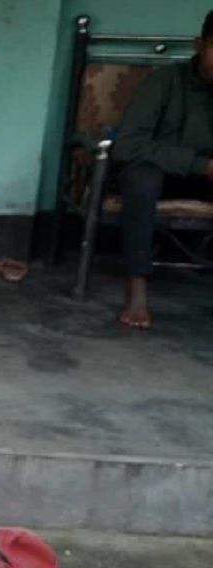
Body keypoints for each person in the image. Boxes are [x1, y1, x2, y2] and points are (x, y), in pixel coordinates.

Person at [112, 10, 213, 330]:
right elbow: (127, 145)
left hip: (206, 179)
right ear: (199, 45)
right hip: (158, 173)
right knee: (141, 180)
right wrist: (198, 164)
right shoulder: (163, 82)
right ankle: (136, 287)